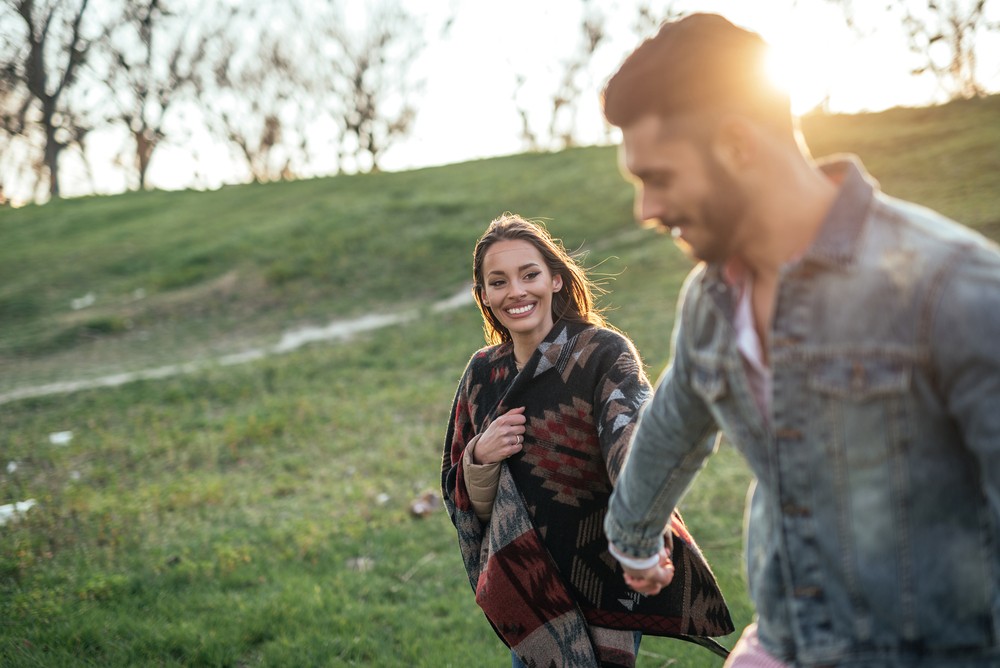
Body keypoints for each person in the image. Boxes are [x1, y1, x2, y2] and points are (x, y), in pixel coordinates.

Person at [598, 12, 1000, 668]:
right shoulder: (712, 297)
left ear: (738, 145)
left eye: (658, 178)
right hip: (785, 641)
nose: (645, 210)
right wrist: (633, 540)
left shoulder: (950, 288)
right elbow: (672, 422)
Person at [441, 213, 734, 667]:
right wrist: (480, 456)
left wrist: (645, 535)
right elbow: (463, 500)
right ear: (484, 295)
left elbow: (632, 445)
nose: (515, 291)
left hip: (604, 575)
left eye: (529, 274)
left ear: (556, 279)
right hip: (528, 586)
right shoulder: (483, 374)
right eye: (497, 282)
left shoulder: (601, 354)